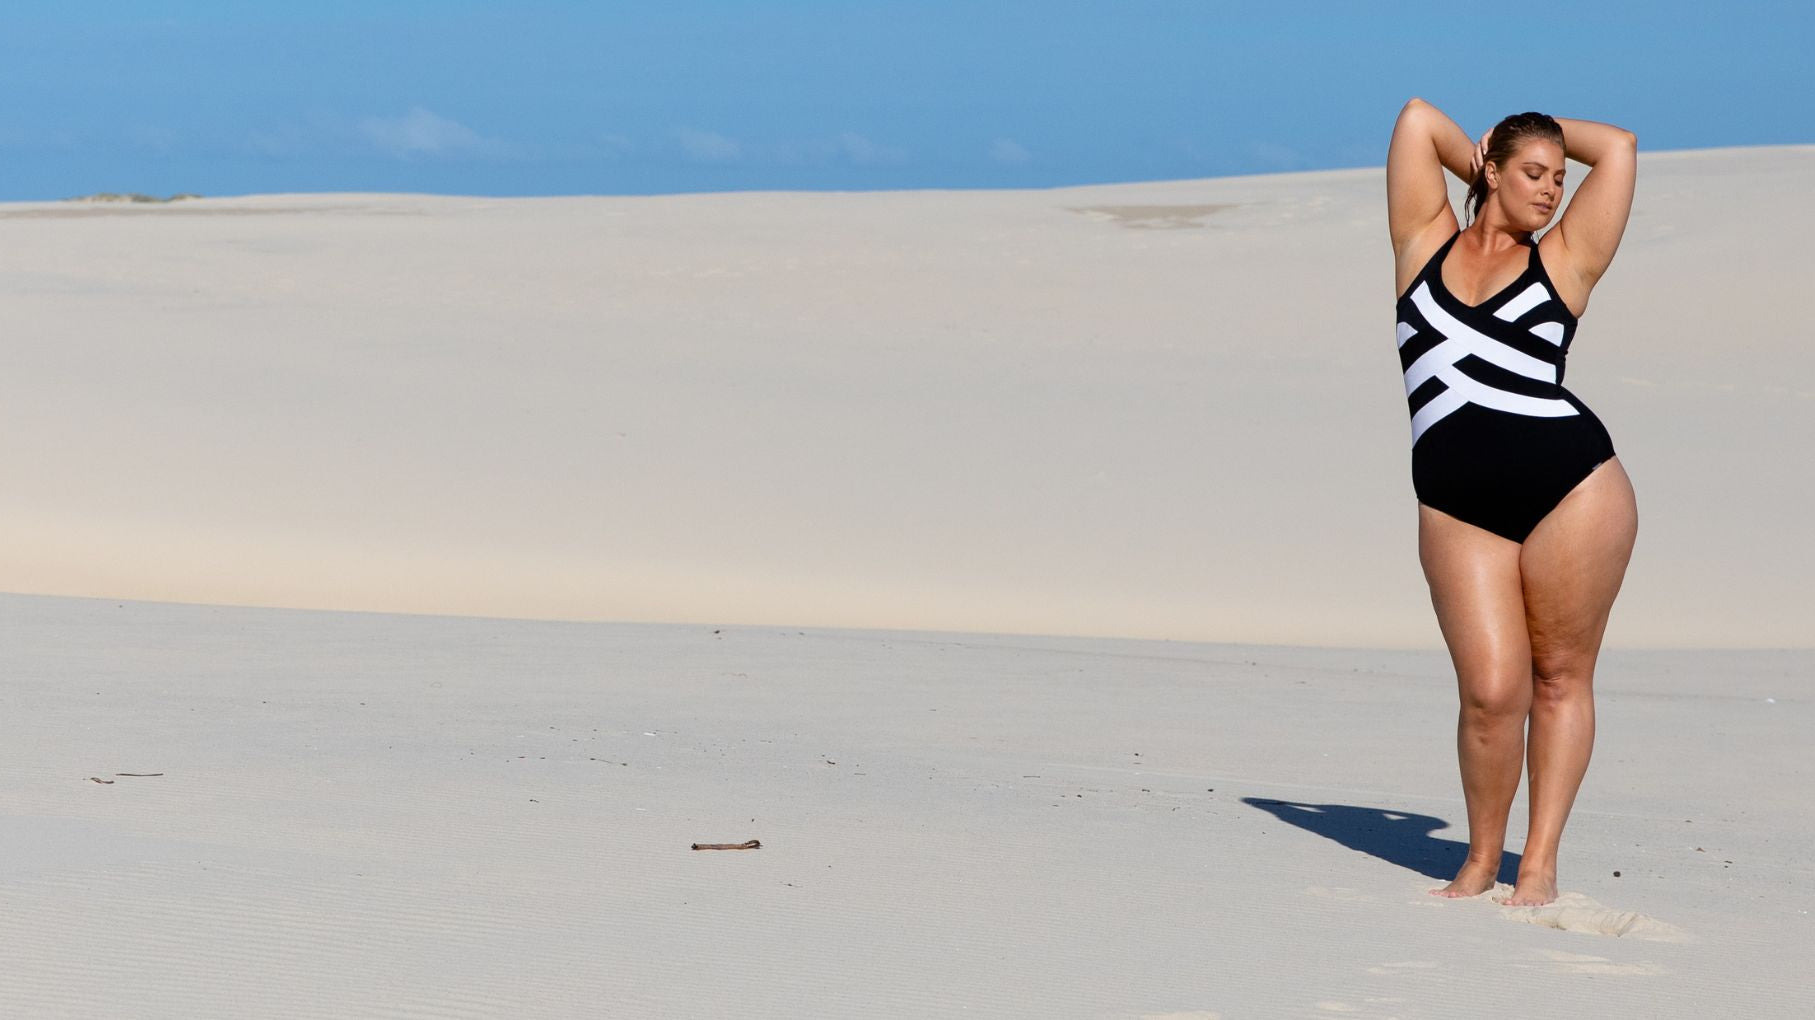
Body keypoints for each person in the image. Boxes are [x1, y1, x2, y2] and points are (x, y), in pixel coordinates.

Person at [1385, 98, 1639, 907]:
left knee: (1559, 677)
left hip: (1571, 490)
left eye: (1560, 179)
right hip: (1456, 505)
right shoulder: (1420, 243)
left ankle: (1537, 862)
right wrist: (1486, 154)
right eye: (1532, 174)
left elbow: (1621, 146)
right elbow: (1417, 119)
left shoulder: (1563, 258)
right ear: (1490, 168)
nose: (1550, 191)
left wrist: (1538, 138)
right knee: (1492, 693)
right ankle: (1477, 857)